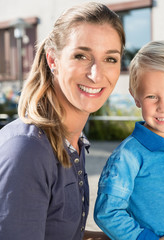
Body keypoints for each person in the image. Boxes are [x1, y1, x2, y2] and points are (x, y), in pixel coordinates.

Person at [0, 2, 125, 239]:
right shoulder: (27, 150)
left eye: (110, 59)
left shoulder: (72, 141)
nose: (96, 74)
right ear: (53, 60)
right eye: (81, 56)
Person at [94, 39, 164, 240]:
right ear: (136, 97)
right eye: (152, 97)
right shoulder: (128, 155)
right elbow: (107, 212)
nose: (163, 106)